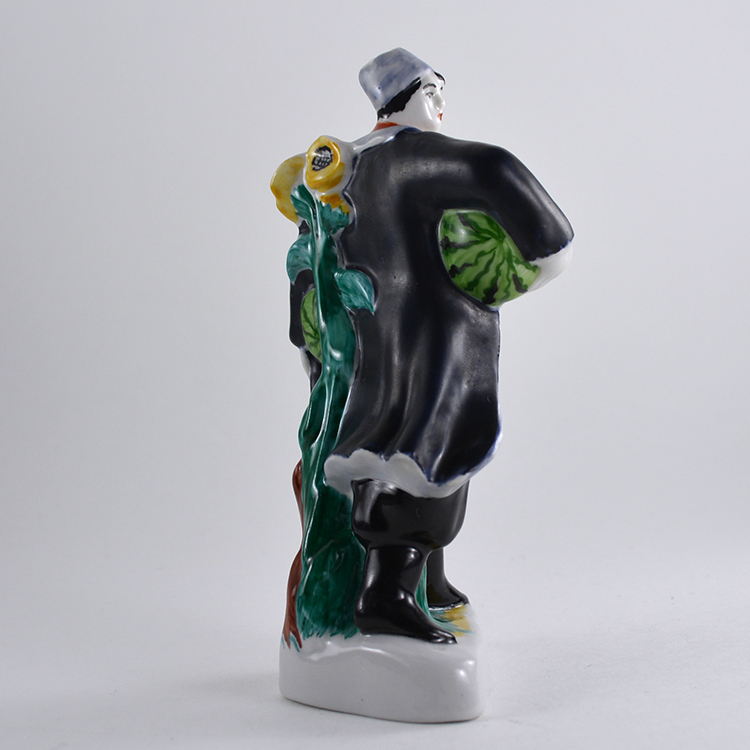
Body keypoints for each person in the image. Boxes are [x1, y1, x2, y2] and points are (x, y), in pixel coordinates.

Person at [273, 48, 573, 644]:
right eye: (435, 92)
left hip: (361, 347)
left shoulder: (340, 169)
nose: (441, 105)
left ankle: (425, 579)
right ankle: (386, 593)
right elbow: (541, 228)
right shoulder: (429, 158)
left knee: (378, 440)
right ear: (421, 95)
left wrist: (311, 345)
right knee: (429, 446)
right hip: (438, 338)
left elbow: (304, 267)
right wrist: (510, 274)